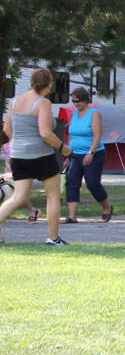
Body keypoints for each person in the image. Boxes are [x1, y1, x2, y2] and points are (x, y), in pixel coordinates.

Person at [0, 67, 71, 245]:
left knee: (18, 197)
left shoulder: (15, 101)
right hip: (41, 155)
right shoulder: (42, 103)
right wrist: (63, 148)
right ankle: (53, 238)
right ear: (49, 85)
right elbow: (45, 133)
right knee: (53, 195)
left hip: (18, 155)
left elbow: (7, 130)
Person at [63, 88, 113, 224]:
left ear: (85, 100)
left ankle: (107, 208)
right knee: (72, 182)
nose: (75, 104)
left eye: (77, 101)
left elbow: (97, 135)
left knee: (92, 183)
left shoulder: (94, 113)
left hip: (93, 154)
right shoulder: (73, 114)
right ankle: (72, 216)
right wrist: (67, 150)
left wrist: (91, 152)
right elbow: (71, 133)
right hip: (74, 154)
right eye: (73, 101)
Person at [3, 140, 42, 223]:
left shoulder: (21, 143)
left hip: (20, 172)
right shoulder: (5, 146)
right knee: (10, 193)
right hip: (9, 173)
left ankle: (32, 210)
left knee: (19, 193)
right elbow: (7, 160)